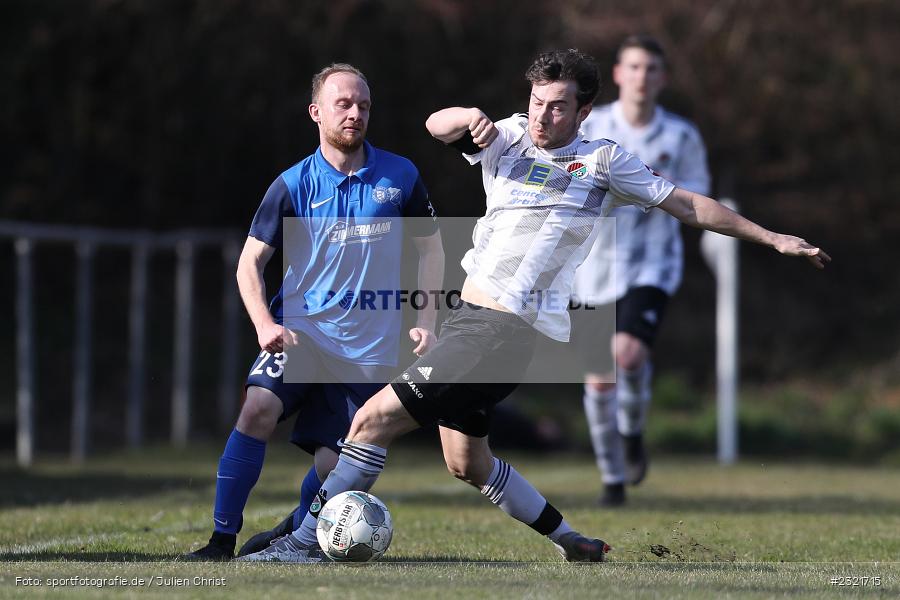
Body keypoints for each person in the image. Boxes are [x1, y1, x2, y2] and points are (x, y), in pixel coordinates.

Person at [238, 49, 828, 564]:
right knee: (466, 460)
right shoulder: (509, 136)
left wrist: (773, 237)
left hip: (500, 330)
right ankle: (569, 539)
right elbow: (434, 125)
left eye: (558, 106)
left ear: (583, 111)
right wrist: (470, 117)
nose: (544, 115)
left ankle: (304, 542)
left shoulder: (603, 162)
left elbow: (689, 205)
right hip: (470, 327)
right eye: (537, 101)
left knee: (369, 422)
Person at [183, 63, 444, 561]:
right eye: (343, 103)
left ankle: (292, 531)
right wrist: (265, 323)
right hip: (300, 335)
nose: (355, 113)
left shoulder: (401, 175)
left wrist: (426, 322)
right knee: (258, 409)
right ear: (316, 112)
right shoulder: (292, 184)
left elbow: (432, 251)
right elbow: (249, 263)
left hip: (367, 349)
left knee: (334, 466)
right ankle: (221, 540)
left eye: (363, 105)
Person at [571, 35, 711, 506]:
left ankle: (631, 433)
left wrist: (649, 184)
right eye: (633, 67)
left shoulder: (681, 136)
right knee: (598, 376)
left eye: (651, 68)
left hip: (652, 263)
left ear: (662, 78)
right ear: (617, 74)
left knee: (626, 356)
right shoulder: (595, 125)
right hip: (592, 266)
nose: (642, 77)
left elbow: (696, 197)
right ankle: (612, 477)